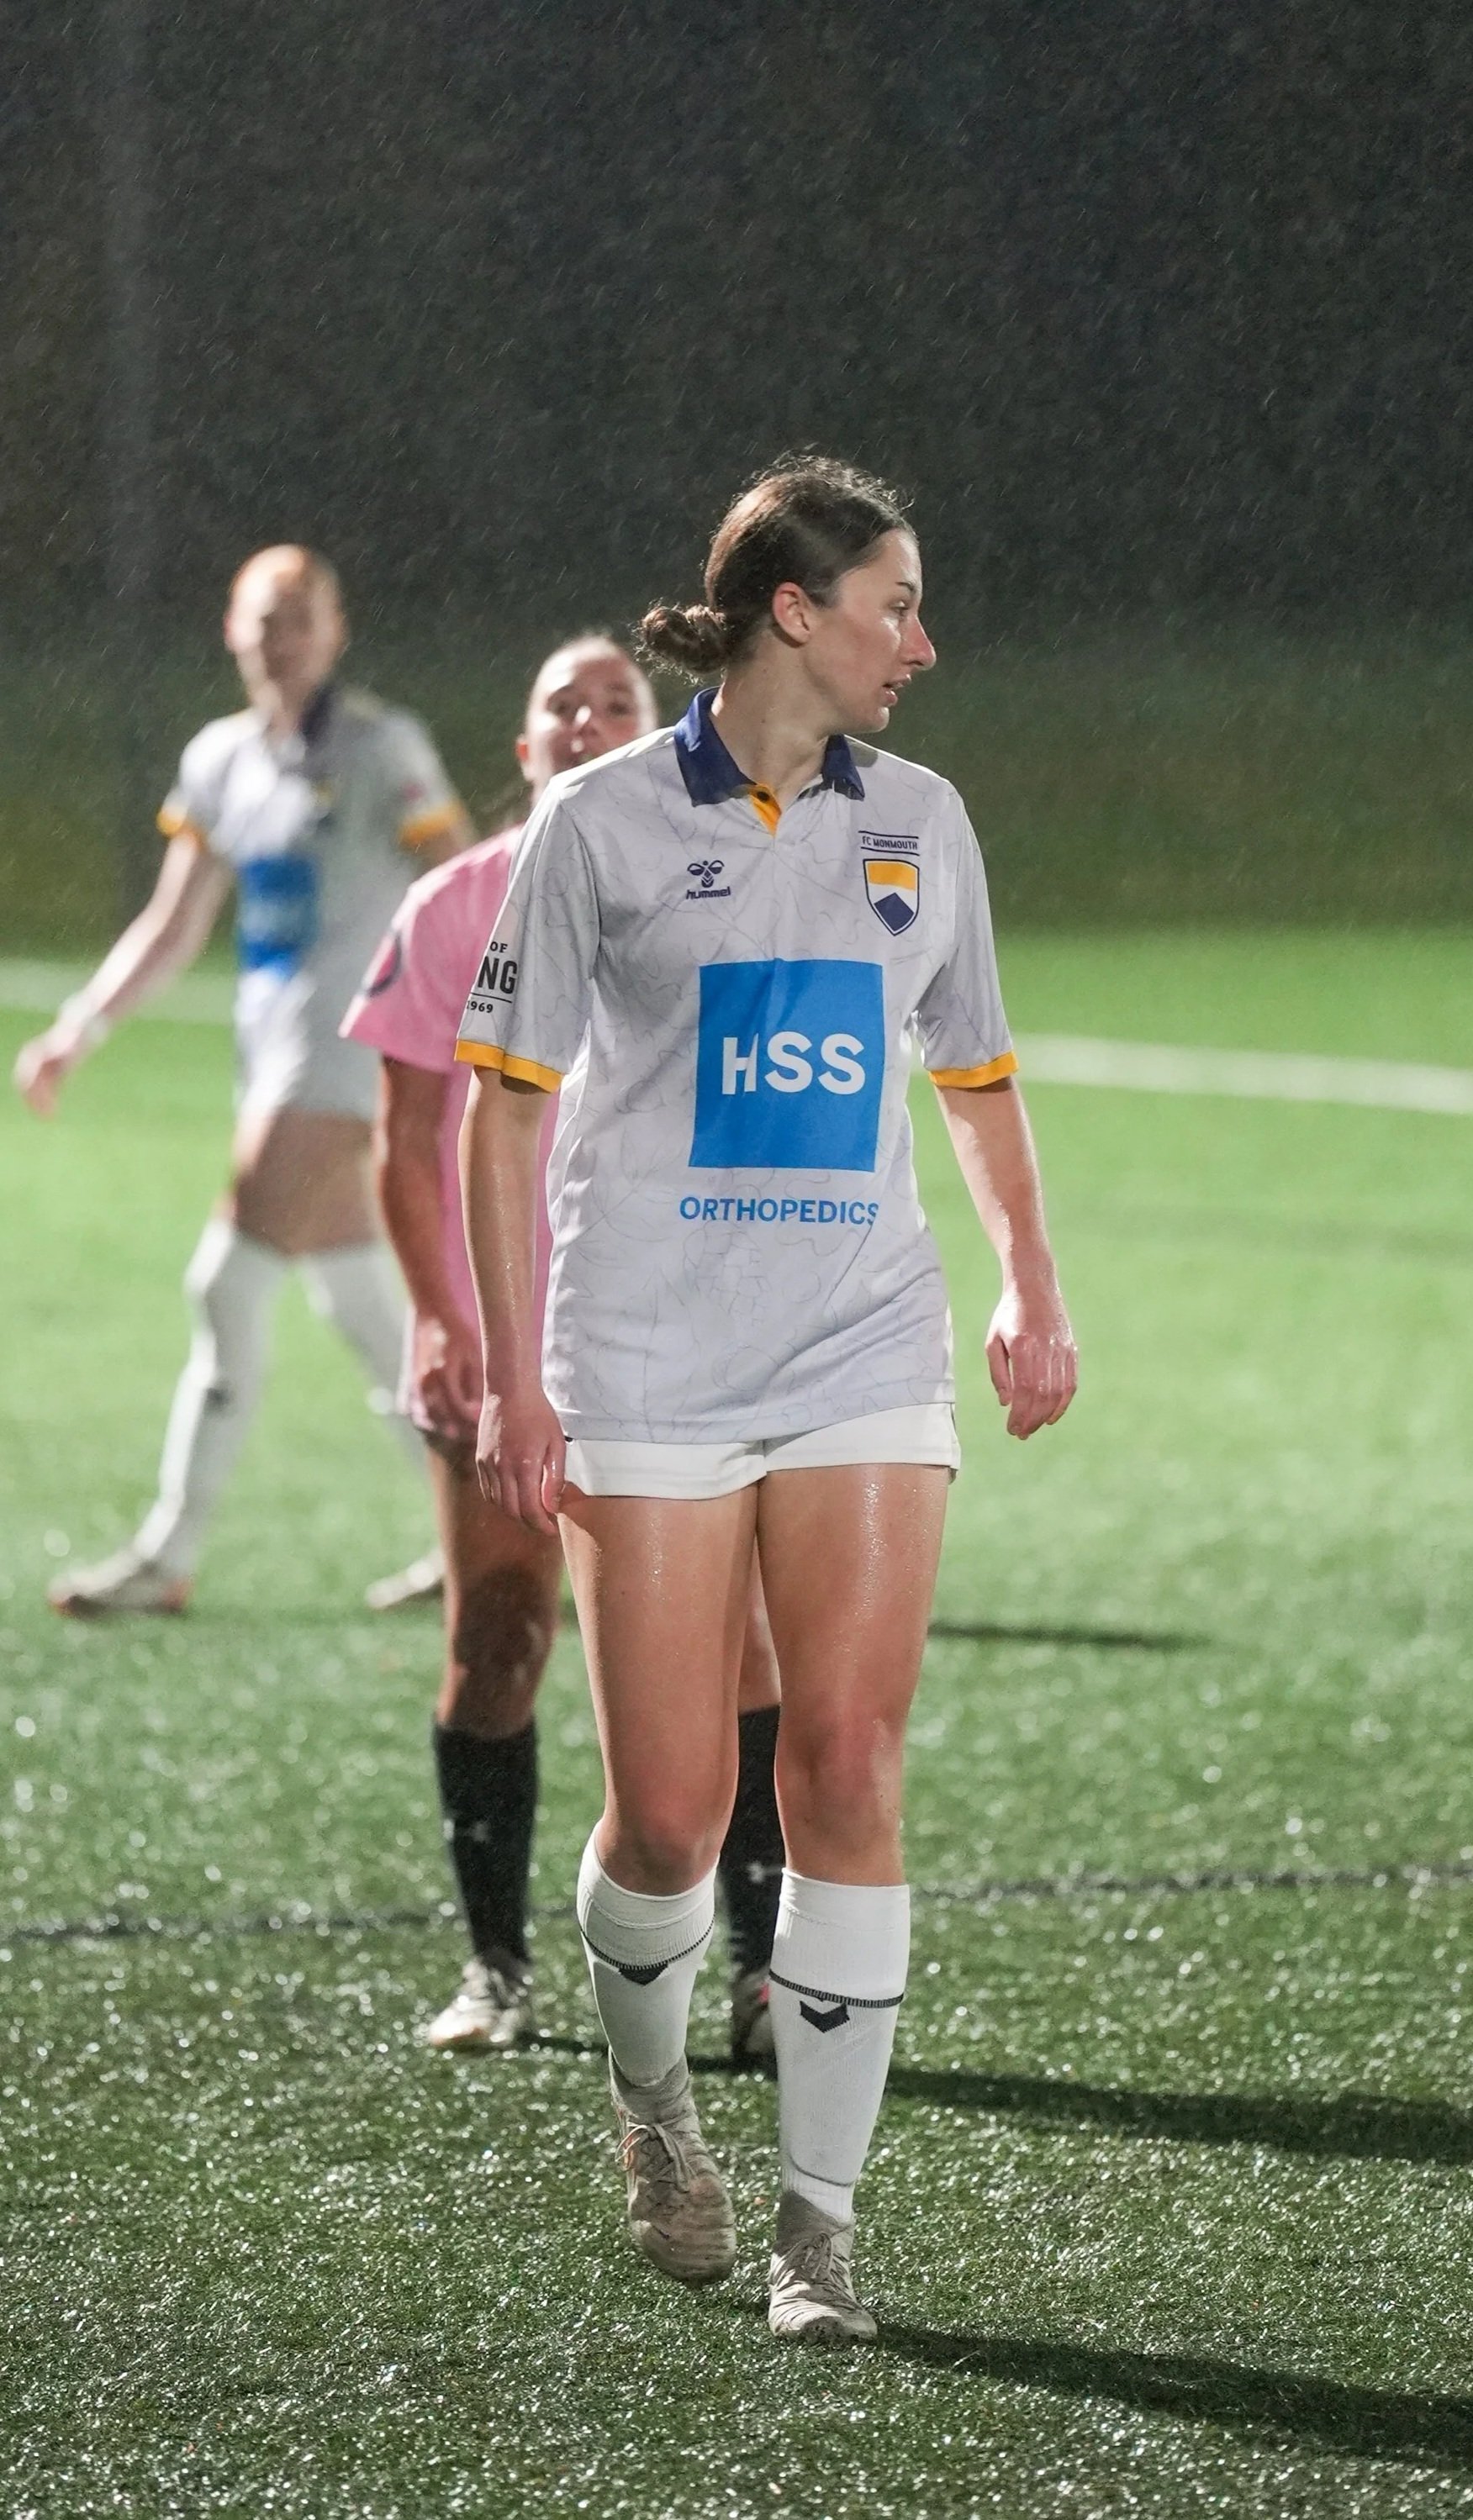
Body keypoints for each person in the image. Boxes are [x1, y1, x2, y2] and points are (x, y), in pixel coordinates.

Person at [456, 458, 1077, 2344]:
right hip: (646, 1358)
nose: (923, 642)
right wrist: (512, 1371)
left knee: (847, 1766)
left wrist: (1031, 1282)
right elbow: (501, 1109)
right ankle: (652, 2103)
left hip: (857, 1345)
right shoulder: (598, 824)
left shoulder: (927, 822)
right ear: (794, 613)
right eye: (895, 603)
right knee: (668, 1810)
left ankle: (822, 2220)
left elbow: (973, 1072)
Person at [341, 635, 785, 2062]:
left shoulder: (726, 882)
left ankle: (764, 1974)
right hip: (510, 1330)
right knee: (499, 1636)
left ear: (656, 736)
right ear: (524, 746)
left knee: (739, 1646)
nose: (589, 719)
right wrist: (439, 1314)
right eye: (562, 704)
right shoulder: (453, 905)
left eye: (617, 702)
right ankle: (496, 1965)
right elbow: (406, 1141)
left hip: (675, 1325)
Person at [13, 546, 468, 1616]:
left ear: (337, 630)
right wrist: (81, 1026)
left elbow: (465, 882)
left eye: (303, 616)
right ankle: (489, 1538)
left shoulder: (383, 747)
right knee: (366, 1307)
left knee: (225, 1284)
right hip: (269, 1056)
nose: (284, 637)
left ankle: (167, 1555)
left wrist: (465, 1036)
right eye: (266, 617)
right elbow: (175, 919)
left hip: (347, 1056)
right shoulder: (220, 757)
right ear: (232, 628)